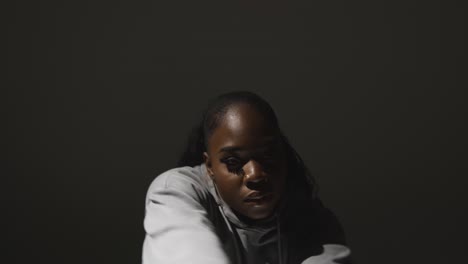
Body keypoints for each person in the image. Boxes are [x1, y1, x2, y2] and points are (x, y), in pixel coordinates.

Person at [141, 91, 352, 264]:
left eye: (268, 155)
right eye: (233, 162)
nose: (255, 175)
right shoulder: (175, 191)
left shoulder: (314, 222)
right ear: (209, 166)